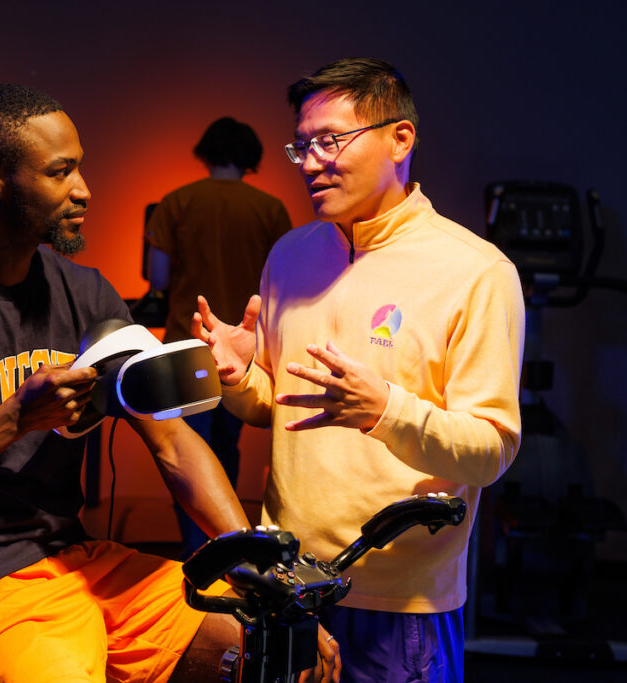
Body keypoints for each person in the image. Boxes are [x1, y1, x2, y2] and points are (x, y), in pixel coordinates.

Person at [0, 84, 342, 683]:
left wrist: (247, 556)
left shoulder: (88, 295)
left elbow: (172, 443)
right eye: (60, 173)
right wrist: (11, 422)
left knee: (288, 650)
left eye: (79, 167)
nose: (84, 189)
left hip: (77, 561)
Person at [193, 58, 525, 682]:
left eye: (331, 141)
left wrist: (386, 411)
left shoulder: (476, 272)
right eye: (302, 146)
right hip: (287, 583)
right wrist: (238, 380)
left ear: (400, 139)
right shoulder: (291, 254)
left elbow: (493, 450)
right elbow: (276, 405)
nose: (311, 162)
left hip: (400, 600)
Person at [145, 117, 292, 559]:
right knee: (227, 450)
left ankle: (197, 555)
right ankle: (228, 553)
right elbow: (283, 282)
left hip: (185, 347)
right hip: (243, 355)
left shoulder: (176, 202)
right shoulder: (270, 209)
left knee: (186, 452)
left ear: (206, 152)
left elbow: (157, 277)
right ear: (250, 157)